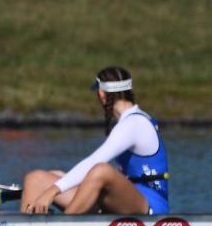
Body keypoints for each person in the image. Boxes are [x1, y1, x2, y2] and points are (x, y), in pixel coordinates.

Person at [20, 67, 168, 215]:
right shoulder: (128, 122)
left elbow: (96, 161)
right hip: (120, 199)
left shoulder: (135, 123)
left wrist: (52, 191)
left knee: (101, 170)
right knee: (35, 179)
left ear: (102, 94)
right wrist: (62, 178)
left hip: (150, 205)